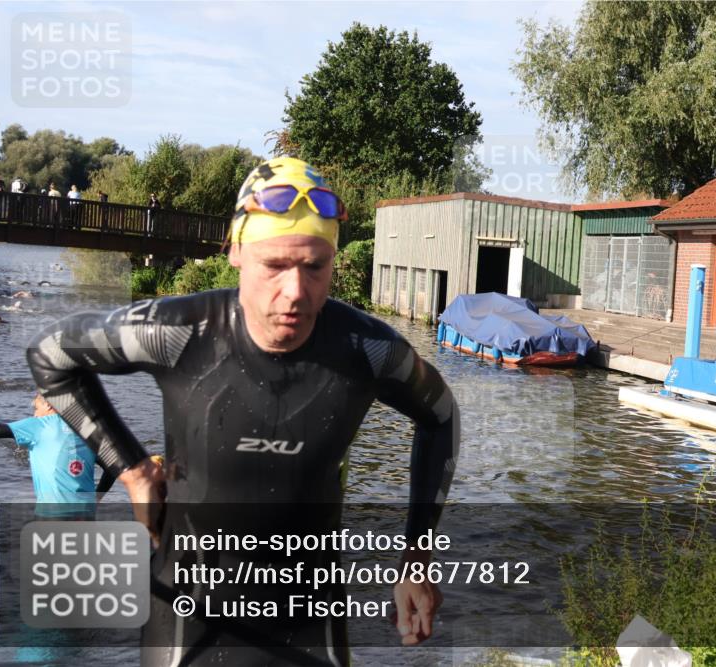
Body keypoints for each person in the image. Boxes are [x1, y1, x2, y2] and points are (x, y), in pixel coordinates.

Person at [27, 157, 460, 665]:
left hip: (309, 618)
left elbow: (441, 415)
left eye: (314, 267)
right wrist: (131, 469)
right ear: (235, 252)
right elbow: (50, 355)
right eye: (274, 266)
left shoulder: (367, 350)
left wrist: (416, 556)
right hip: (185, 622)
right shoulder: (179, 332)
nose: (295, 293)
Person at [0, 394, 116, 511]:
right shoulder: (90, 431)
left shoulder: (41, 425)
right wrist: (97, 497)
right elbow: (112, 467)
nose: (35, 414)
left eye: (37, 408)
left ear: (48, 405)